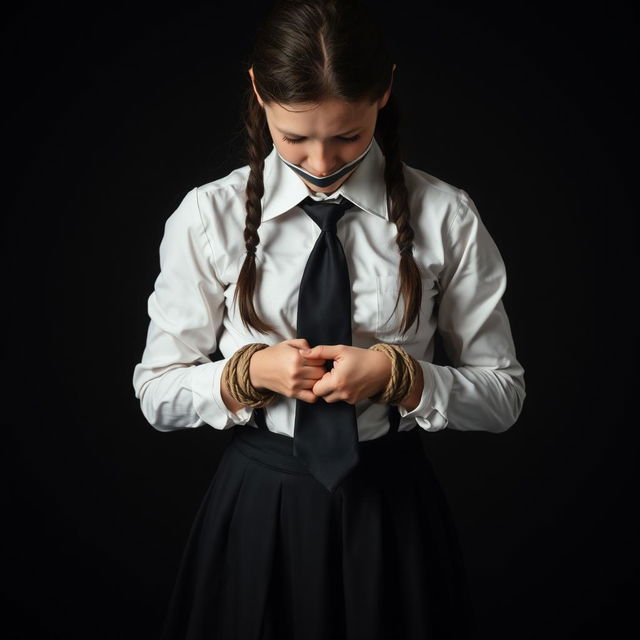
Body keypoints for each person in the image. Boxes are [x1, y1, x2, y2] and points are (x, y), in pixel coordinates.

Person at [132, 0, 526, 638]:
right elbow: (155, 392)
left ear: (384, 93)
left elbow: (503, 396)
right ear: (259, 94)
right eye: (295, 139)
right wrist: (244, 373)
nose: (321, 163)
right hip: (258, 508)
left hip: (394, 511)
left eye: (347, 134)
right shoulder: (209, 218)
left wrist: (402, 378)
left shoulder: (446, 218)